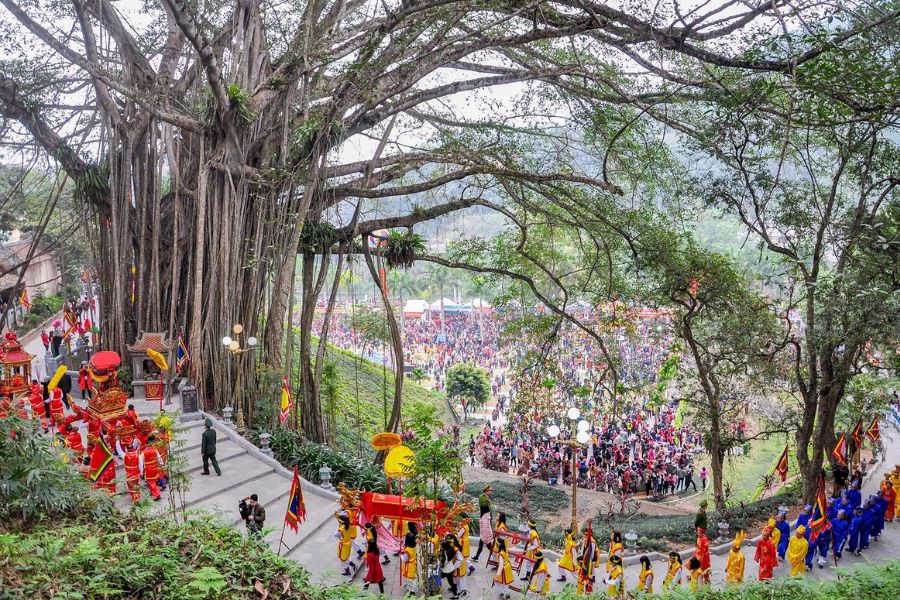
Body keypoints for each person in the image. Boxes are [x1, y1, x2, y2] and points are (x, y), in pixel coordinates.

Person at [363, 522, 386, 594]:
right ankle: (382, 593)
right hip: (378, 569)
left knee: (367, 580)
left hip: (372, 570)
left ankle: (364, 593)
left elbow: (371, 566)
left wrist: (370, 574)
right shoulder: (377, 551)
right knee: (379, 581)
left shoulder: (369, 555)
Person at [473, 485, 493, 562]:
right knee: (486, 544)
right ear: (486, 491)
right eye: (490, 490)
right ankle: (495, 557)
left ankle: (477, 557)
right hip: (485, 518)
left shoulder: (486, 497)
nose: (491, 492)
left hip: (486, 518)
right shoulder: (482, 498)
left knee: (482, 543)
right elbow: (483, 508)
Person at [142, 435, 165, 501]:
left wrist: (141, 472)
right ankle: (162, 485)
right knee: (158, 476)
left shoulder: (143, 452)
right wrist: (162, 465)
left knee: (151, 482)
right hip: (155, 466)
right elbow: (159, 457)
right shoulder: (155, 449)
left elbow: (141, 462)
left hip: (148, 469)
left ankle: (157, 494)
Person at [400, 526, 417, 595]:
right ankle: (410, 587)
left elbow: (405, 559)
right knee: (412, 577)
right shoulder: (414, 547)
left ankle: (412, 591)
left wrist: (401, 556)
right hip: (413, 564)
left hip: (408, 566)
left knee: (408, 578)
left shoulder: (407, 550)